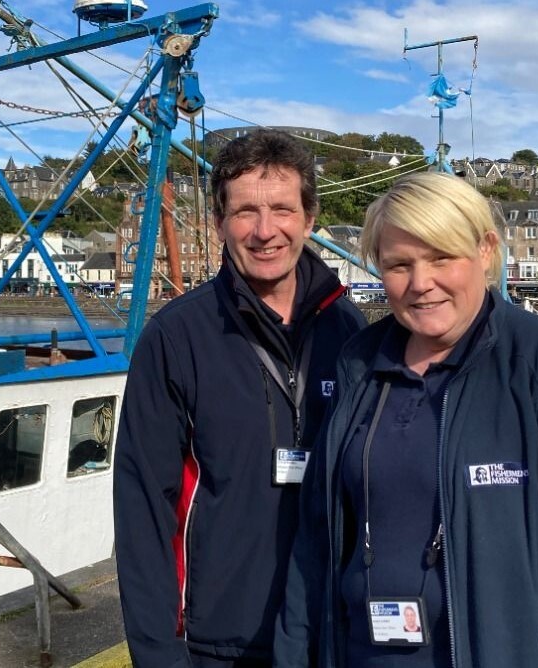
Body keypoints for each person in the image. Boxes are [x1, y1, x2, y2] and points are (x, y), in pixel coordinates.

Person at [274, 172, 538, 667]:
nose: (422, 284)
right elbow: (315, 544)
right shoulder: (360, 367)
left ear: (485, 250)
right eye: (400, 265)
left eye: (441, 257)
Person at [115, 129, 366, 667]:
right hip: (217, 640)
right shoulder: (176, 337)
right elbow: (142, 511)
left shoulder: (349, 330)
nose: (265, 230)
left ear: (310, 218)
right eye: (246, 211)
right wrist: (158, 655)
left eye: (282, 208)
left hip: (330, 633)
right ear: (219, 222)